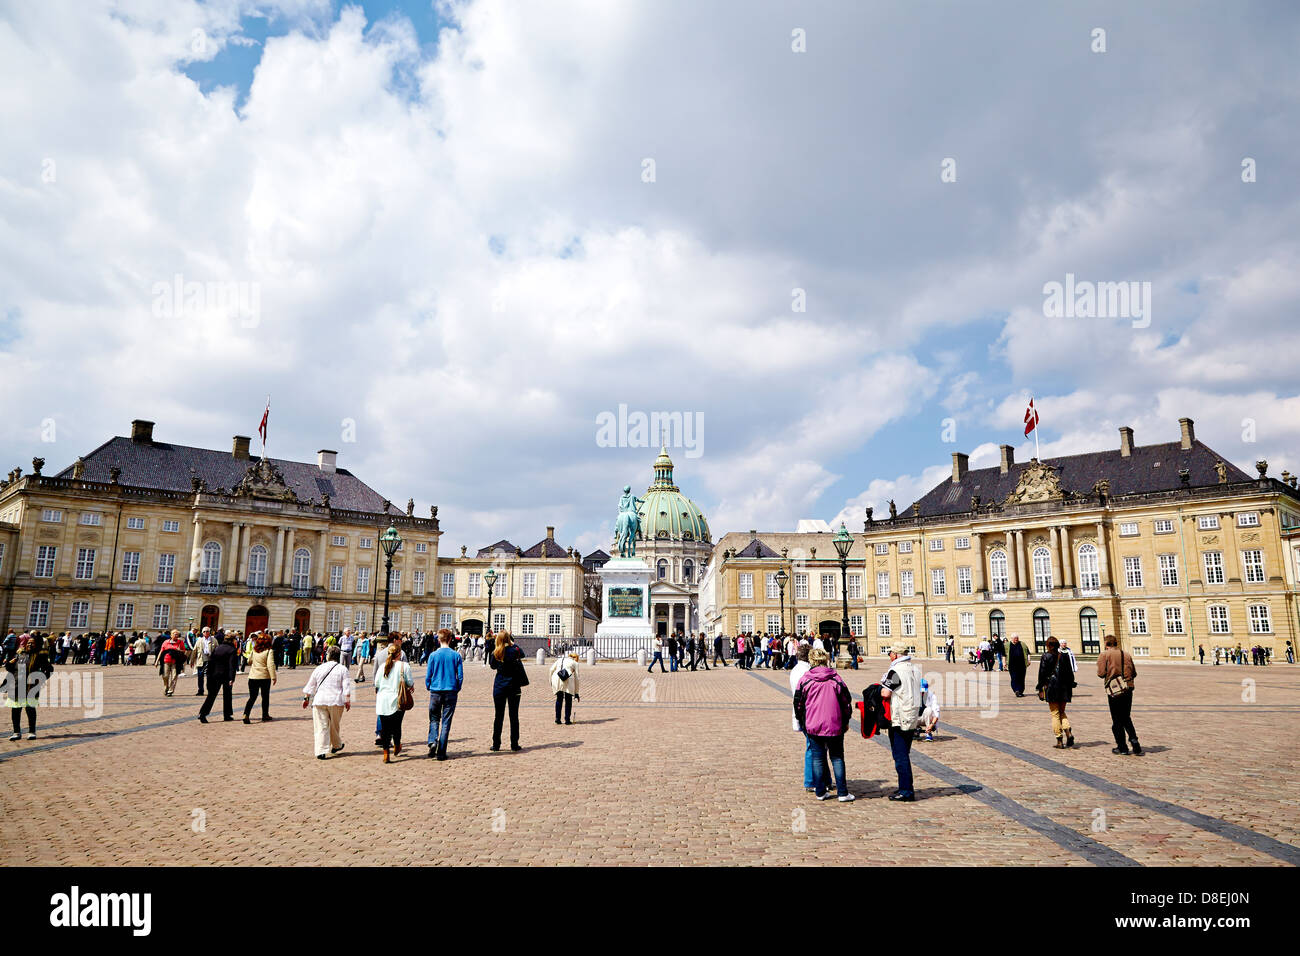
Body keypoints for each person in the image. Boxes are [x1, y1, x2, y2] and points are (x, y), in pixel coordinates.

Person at [793, 649, 854, 802]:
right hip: (835, 724)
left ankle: (820, 792)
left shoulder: (805, 679)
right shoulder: (835, 678)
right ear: (826, 659)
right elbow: (846, 701)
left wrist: (803, 721)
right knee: (837, 758)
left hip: (813, 724)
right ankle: (842, 793)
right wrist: (846, 720)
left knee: (817, 759)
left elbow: (798, 703)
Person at [881, 647, 923, 801]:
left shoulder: (895, 671)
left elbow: (886, 693)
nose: (889, 656)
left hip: (899, 718)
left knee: (900, 756)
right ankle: (905, 787)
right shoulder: (915, 669)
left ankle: (906, 790)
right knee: (905, 752)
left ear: (896, 654)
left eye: (890, 653)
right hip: (912, 715)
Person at [789, 644, 830, 793]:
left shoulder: (796, 669)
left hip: (806, 714)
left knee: (817, 748)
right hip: (811, 714)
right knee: (813, 749)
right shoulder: (807, 672)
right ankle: (812, 781)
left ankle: (824, 779)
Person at [302, 645, 353, 759]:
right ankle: (336, 745)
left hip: (320, 700)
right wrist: (348, 701)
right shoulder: (343, 669)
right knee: (334, 726)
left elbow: (311, 685)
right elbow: (347, 688)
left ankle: (321, 750)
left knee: (321, 726)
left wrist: (306, 698)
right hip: (336, 701)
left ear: (328, 655)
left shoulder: (319, 668)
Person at [1097, 635, 1141, 755]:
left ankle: (1122, 747)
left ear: (1106, 644)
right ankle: (1134, 740)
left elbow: (1101, 673)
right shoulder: (1126, 654)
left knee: (1116, 719)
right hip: (1128, 687)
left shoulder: (1104, 655)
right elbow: (1134, 672)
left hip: (1114, 689)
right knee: (1126, 716)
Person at [425, 629, 464, 760]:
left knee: (434, 718)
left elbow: (428, 675)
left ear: (438, 640)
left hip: (435, 691)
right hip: (450, 691)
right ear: (450, 639)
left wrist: (428, 686)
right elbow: (460, 676)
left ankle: (432, 741)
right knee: (446, 722)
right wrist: (456, 688)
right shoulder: (456, 655)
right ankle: (441, 752)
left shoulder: (433, 655)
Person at [5, 634, 53, 740]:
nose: (30, 644)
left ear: (37, 645)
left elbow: (50, 670)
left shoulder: (40, 656)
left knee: (30, 710)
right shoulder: (20, 654)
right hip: (17, 686)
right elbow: (11, 669)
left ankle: (32, 732)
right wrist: (8, 664)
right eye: (29, 642)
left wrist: (41, 679)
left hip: (31, 687)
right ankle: (16, 732)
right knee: (16, 711)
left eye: (32, 642)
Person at [373, 640, 414, 763]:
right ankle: (397, 746)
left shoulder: (382, 667)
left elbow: (377, 683)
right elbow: (410, 682)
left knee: (385, 728)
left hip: (383, 700)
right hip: (398, 699)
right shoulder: (404, 666)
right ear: (399, 654)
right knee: (396, 726)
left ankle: (386, 753)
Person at [488, 632, 528, 752]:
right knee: (514, 716)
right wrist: (512, 643)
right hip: (514, 686)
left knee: (498, 716)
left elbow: (492, 666)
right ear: (509, 639)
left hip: (500, 686)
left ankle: (496, 744)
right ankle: (514, 744)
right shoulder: (515, 649)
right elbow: (523, 654)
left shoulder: (496, 652)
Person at [1036, 636, 1076, 748]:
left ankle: (1059, 740)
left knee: (1055, 714)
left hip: (1052, 687)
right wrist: (1071, 685)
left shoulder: (1045, 656)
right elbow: (1070, 674)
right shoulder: (1064, 656)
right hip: (1064, 688)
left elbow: (1042, 673)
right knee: (1062, 711)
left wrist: (1040, 688)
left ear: (1048, 645)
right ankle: (1068, 732)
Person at [198, 632, 238, 723]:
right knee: (227, 695)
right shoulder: (232, 650)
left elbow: (211, 661)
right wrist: (232, 678)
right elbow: (232, 665)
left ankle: (203, 713)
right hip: (226, 675)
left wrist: (209, 674)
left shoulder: (217, 648)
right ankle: (227, 715)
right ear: (233, 640)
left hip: (214, 674)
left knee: (211, 695)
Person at [242, 632, 277, 723]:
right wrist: (273, 676)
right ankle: (265, 715)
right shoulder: (269, 651)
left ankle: (246, 714)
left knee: (252, 697)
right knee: (265, 697)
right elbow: (270, 664)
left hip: (253, 676)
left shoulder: (254, 650)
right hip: (264, 677)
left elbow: (249, 661)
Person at [550, 652, 580, 725]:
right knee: (568, 700)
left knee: (559, 698)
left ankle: (557, 718)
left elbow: (551, 670)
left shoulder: (560, 659)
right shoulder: (575, 663)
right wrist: (576, 692)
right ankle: (567, 719)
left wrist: (551, 682)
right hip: (568, 680)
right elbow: (577, 678)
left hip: (556, 679)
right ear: (576, 658)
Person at [158, 630, 188, 697]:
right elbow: (161, 651)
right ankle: (166, 686)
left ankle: (170, 691)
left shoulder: (180, 642)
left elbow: (184, 650)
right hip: (166, 661)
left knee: (174, 676)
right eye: (174, 634)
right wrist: (157, 661)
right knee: (165, 676)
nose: (176, 635)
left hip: (176, 662)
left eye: (177, 634)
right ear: (171, 635)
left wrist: (179, 650)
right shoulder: (166, 642)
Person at [919, 678, 940, 742]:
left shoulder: (932, 696)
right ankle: (913, 731)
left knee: (929, 710)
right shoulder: (911, 694)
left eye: (923, 691)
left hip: (926, 719)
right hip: (914, 719)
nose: (922, 693)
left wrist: (932, 725)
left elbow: (936, 714)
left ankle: (928, 733)